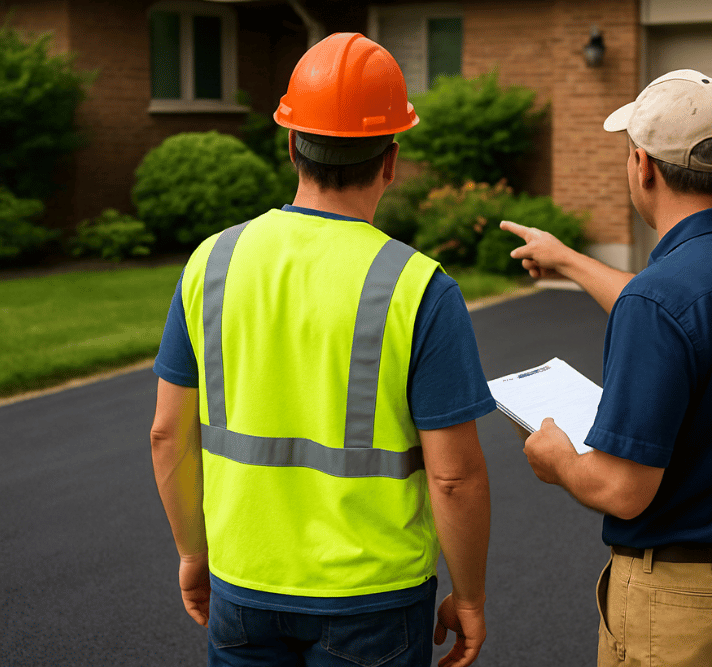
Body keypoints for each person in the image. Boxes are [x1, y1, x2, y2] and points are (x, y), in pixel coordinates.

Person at [149, 33, 493, 667]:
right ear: (391, 160)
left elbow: (168, 436)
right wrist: (468, 595)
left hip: (242, 583)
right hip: (373, 599)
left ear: (290, 146)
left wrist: (195, 553)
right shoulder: (419, 288)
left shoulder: (211, 263)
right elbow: (454, 476)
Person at [500, 69, 712, 667]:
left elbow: (623, 491)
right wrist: (568, 259)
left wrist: (558, 460)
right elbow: (684, 310)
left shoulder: (661, 300)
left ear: (642, 165)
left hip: (685, 603)